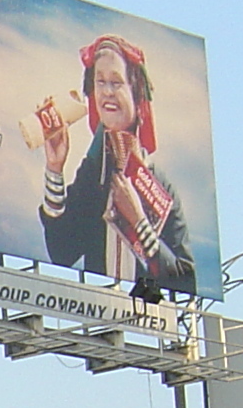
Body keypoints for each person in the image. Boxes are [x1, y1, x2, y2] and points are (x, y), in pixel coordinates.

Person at [34, 36, 194, 293]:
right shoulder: (94, 173)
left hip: (149, 323)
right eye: (100, 82)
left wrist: (139, 222)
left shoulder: (160, 185)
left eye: (116, 82)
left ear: (136, 93)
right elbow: (61, 252)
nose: (107, 92)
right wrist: (54, 168)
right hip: (94, 318)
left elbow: (185, 281)